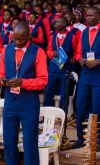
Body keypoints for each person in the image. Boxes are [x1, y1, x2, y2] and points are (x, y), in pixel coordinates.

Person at [0, 21, 48, 165]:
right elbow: (1, 72)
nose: (18, 42)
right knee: (8, 140)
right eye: (15, 39)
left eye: (22, 39)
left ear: (29, 36)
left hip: (29, 103)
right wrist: (2, 79)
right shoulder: (5, 50)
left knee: (29, 142)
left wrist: (23, 82)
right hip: (10, 101)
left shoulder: (38, 52)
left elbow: (43, 80)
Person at [71, 7, 100, 149]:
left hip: (98, 75)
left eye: (91, 16)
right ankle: (81, 138)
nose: (87, 18)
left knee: (97, 108)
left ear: (98, 16)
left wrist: (98, 61)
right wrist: (80, 59)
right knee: (80, 106)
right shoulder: (83, 33)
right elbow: (77, 52)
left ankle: (97, 141)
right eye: (86, 16)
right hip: (85, 74)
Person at [44, 16, 77, 109]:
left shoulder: (72, 37)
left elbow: (76, 51)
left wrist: (74, 58)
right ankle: (46, 113)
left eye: (58, 22)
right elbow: (49, 49)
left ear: (64, 24)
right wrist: (51, 53)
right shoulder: (52, 36)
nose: (55, 24)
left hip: (66, 68)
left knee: (64, 92)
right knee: (49, 90)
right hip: (54, 67)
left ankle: (63, 115)